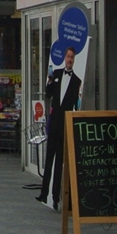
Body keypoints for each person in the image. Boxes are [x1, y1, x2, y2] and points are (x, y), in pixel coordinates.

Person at [39, 47, 84, 204]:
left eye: (72, 57)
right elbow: (48, 94)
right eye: (68, 56)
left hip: (64, 125)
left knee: (59, 163)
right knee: (49, 160)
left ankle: (55, 197)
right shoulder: (57, 74)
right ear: (64, 58)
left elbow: (76, 106)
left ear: (74, 60)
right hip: (54, 123)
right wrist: (50, 81)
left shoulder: (77, 81)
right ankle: (44, 193)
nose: (69, 59)